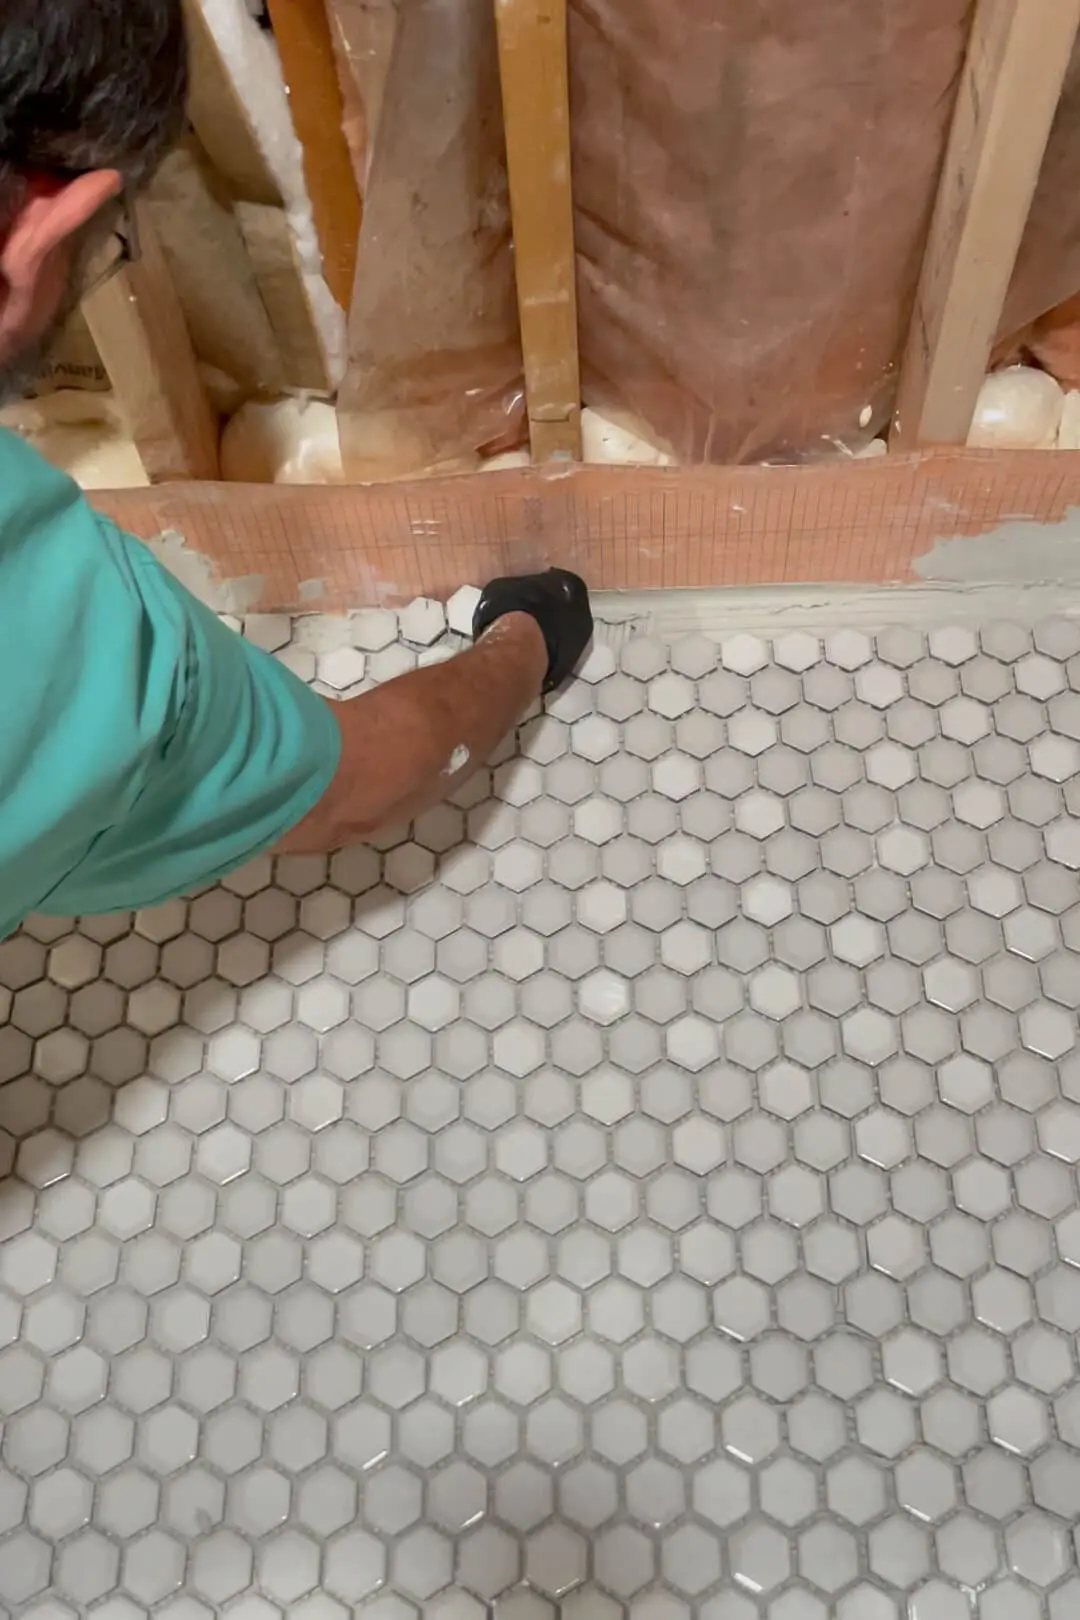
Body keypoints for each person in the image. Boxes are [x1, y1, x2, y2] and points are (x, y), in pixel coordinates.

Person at [0, 0, 592, 941]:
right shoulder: (55, 627)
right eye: (107, 244)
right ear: (44, 234)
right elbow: (349, 789)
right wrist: (524, 637)